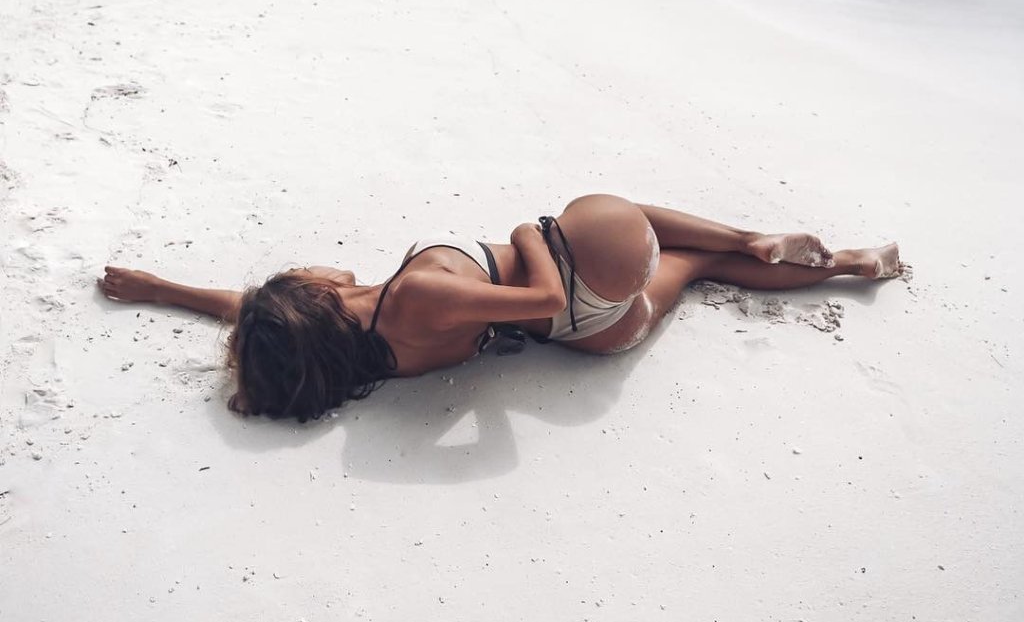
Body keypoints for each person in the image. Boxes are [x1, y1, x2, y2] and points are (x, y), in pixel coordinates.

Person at [97, 193, 903, 423]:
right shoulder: (416, 293)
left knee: (696, 270)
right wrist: (528, 232)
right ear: (313, 295)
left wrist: (161, 288)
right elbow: (543, 291)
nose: (307, 265)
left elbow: (251, 311)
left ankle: (850, 265)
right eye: (299, 273)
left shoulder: (366, 346)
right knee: (596, 211)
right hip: (576, 288)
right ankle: (755, 236)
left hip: (596, 334)